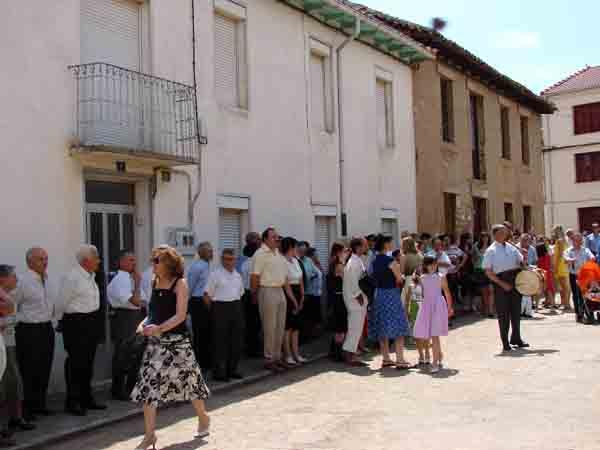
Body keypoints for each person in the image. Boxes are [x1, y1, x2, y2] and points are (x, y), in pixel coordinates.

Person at [131, 246, 210, 450]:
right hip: (156, 345)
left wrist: (159, 328)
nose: (153, 264)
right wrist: (143, 324)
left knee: (191, 384)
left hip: (178, 343)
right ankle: (150, 436)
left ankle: (203, 417)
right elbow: (153, 312)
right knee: (148, 388)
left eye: (157, 260)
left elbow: (180, 315)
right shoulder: (154, 281)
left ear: (169, 263)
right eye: (153, 260)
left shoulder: (180, 284)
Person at [60, 245, 106, 416]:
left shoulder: (91, 276)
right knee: (76, 363)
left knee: (88, 362)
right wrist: (60, 321)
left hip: (91, 321)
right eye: (96, 258)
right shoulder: (72, 277)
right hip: (76, 323)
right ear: (86, 261)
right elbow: (61, 302)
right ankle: (73, 401)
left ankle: (86, 398)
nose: (99, 261)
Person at [13, 247, 55, 419]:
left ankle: (40, 404)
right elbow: (12, 305)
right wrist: (20, 320)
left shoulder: (47, 279)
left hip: (46, 328)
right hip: (29, 330)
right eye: (40, 259)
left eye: (46, 258)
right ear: (30, 262)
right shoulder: (22, 281)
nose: (45, 262)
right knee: (29, 370)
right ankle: (28, 409)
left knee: (45, 368)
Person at [251, 228, 298, 372]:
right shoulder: (260, 254)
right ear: (265, 239)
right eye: (274, 237)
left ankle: (277, 357)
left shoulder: (278, 253)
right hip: (267, 290)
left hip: (279, 290)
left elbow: (285, 278)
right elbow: (255, 276)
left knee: (280, 327)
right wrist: (254, 294)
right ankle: (269, 358)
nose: (277, 239)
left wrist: (292, 298)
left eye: (277, 237)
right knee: (269, 327)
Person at [0, 265, 35, 439]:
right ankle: (5, 423)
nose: (16, 279)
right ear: (2, 279)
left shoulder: (8, 295)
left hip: (9, 342)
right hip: (3, 344)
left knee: (14, 381)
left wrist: (13, 317)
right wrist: (15, 318)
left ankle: (15, 417)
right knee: (4, 383)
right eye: (13, 276)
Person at [369, 235, 412, 370]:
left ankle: (386, 358)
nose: (392, 244)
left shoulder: (374, 261)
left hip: (379, 294)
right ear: (385, 244)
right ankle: (400, 360)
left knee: (382, 327)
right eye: (390, 242)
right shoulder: (390, 261)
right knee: (398, 327)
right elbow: (399, 279)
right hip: (391, 294)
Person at [483, 225, 528, 353]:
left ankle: (516, 338)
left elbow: (522, 263)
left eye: (505, 232)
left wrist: (524, 257)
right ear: (495, 234)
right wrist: (502, 284)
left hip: (515, 279)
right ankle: (505, 342)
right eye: (502, 232)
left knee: (516, 312)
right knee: (503, 314)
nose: (505, 234)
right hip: (501, 282)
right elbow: (488, 272)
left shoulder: (511, 247)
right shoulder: (490, 251)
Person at [106, 251, 144, 400]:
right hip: (124, 317)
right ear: (121, 262)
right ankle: (118, 389)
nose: (134, 263)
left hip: (134, 317)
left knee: (134, 354)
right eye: (130, 260)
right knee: (122, 354)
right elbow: (135, 301)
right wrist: (138, 284)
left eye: (134, 260)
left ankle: (130, 387)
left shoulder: (130, 278)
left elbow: (142, 300)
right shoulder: (120, 279)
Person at [204, 249, 245, 382]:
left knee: (236, 340)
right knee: (220, 341)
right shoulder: (215, 274)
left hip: (235, 306)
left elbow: (240, 293)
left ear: (235, 260)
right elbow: (207, 296)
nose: (228, 262)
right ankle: (219, 372)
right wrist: (214, 311)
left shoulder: (238, 275)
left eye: (231, 259)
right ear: (222, 259)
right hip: (220, 308)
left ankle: (232, 369)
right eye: (225, 259)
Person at [413, 256, 454, 373]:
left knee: (435, 334)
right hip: (426, 306)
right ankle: (439, 354)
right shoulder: (422, 278)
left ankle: (435, 362)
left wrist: (450, 307)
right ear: (425, 265)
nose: (432, 266)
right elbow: (420, 293)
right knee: (424, 333)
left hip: (438, 306)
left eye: (434, 264)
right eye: (429, 264)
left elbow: (447, 292)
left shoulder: (441, 277)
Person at [187, 242, 213, 370]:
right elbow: (190, 286)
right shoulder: (197, 267)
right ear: (201, 252)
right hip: (198, 302)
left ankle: (207, 361)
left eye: (211, 251)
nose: (211, 253)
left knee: (207, 332)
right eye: (209, 251)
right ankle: (199, 362)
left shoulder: (208, 265)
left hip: (207, 301)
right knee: (199, 333)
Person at [342, 238, 368, 367]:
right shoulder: (353, 262)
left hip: (358, 299)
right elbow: (353, 281)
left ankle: (352, 353)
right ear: (358, 247)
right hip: (355, 300)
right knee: (354, 327)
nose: (366, 247)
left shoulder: (357, 260)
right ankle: (349, 356)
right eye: (364, 245)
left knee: (357, 328)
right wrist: (358, 296)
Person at [280, 237, 306, 366]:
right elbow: (286, 284)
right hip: (288, 295)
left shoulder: (295, 260)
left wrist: (302, 295)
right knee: (288, 327)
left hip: (298, 293)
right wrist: (294, 301)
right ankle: (288, 355)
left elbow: (300, 279)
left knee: (296, 327)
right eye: (295, 246)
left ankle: (296, 354)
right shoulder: (283, 262)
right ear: (290, 247)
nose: (297, 249)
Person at [563, 233, 596, 323]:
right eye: (575, 240)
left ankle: (588, 313)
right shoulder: (569, 250)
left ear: (581, 241)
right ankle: (578, 314)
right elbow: (565, 259)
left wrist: (592, 259)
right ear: (572, 241)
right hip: (574, 275)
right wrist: (571, 260)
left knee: (586, 294)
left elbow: (592, 257)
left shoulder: (585, 250)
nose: (577, 242)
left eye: (579, 240)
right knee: (576, 295)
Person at [327, 243, 348, 362]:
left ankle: (334, 351)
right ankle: (337, 353)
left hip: (337, 297)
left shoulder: (333, 263)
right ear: (339, 252)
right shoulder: (339, 265)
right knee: (340, 326)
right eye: (344, 251)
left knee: (338, 327)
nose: (346, 253)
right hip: (339, 298)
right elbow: (347, 280)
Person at [240, 243, 261, 358]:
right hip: (253, 293)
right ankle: (254, 349)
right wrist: (255, 296)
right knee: (255, 323)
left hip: (246, 293)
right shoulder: (254, 264)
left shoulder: (244, 264)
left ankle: (249, 348)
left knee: (249, 322)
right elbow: (255, 282)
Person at [300, 245, 323, 337]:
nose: (317, 256)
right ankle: (307, 334)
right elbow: (305, 276)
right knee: (308, 316)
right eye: (315, 255)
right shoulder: (300, 261)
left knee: (315, 316)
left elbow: (319, 273)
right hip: (308, 292)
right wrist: (312, 276)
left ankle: (312, 334)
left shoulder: (309, 261)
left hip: (316, 293)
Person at [516, 234, 538, 318]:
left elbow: (535, 261)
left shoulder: (532, 249)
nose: (525, 242)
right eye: (524, 240)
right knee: (520, 292)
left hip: (529, 272)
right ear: (520, 240)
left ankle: (527, 312)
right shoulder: (516, 248)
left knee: (528, 293)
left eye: (527, 240)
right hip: (518, 272)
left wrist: (533, 268)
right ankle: (520, 311)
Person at [473, 233, 494, 317]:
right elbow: (476, 257)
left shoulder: (492, 246)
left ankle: (491, 310)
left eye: (486, 237)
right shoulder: (476, 246)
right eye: (483, 237)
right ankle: (486, 309)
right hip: (480, 270)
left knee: (491, 290)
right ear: (480, 238)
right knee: (484, 292)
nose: (485, 239)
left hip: (490, 270)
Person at [551, 225, 571, 311]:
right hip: (563, 264)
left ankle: (566, 304)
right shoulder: (564, 240)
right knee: (564, 286)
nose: (553, 233)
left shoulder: (560, 241)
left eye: (554, 231)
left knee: (563, 286)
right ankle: (565, 303)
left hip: (560, 265)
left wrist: (555, 267)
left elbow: (559, 255)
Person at [536, 242, 556, 309]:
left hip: (542, 274)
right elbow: (550, 265)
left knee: (540, 290)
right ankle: (553, 304)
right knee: (549, 290)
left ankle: (537, 306)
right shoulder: (548, 256)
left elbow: (539, 266)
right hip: (548, 274)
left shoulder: (539, 258)